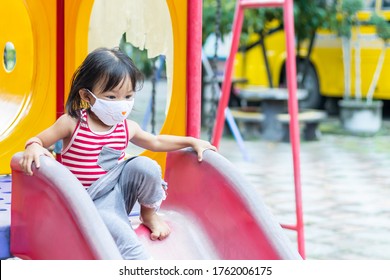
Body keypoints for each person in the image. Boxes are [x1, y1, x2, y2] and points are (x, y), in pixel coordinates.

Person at [19, 47, 217, 259]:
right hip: (87, 202)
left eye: (128, 96)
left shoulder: (125, 127)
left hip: (116, 194)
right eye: (111, 97)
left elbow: (156, 141)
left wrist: (192, 141)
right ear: (87, 95)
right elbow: (38, 140)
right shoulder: (73, 123)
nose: (121, 105)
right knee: (123, 236)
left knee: (146, 166)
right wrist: (34, 147)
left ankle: (148, 214)